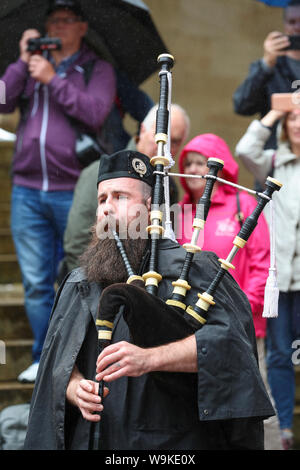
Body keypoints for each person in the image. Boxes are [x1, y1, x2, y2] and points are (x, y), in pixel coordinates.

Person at [24, 149, 275, 450]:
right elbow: (57, 361)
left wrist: (150, 358)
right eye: (102, 199)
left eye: (120, 197)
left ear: (149, 208)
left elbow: (230, 347)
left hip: (172, 444)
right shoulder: (79, 282)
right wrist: (75, 386)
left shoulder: (197, 271)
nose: (106, 209)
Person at [0, 0, 116, 383]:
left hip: (73, 190)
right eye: (53, 21)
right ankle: (41, 355)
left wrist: (53, 79)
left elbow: (96, 112)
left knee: (77, 275)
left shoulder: (96, 69)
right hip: (27, 190)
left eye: (66, 20)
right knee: (35, 283)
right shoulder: (31, 66)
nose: (58, 26)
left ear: (82, 27)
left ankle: (75, 355)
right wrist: (22, 61)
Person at [176, 133, 282, 450]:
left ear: (219, 168)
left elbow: (262, 260)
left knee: (250, 391)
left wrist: (244, 308)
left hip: (240, 320)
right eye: (189, 163)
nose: (195, 169)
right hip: (191, 320)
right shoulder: (181, 211)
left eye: (201, 162)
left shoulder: (244, 204)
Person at [235, 107, 300, 450]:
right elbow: (245, 149)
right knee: (278, 355)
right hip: (282, 278)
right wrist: (274, 113)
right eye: (294, 118)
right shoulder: (273, 160)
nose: (299, 123)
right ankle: (286, 428)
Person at [63, 103, 190, 273]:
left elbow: (165, 243)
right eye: (160, 138)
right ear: (143, 129)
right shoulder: (101, 173)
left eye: (173, 142)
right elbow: (76, 243)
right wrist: (89, 291)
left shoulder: (169, 187)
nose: (164, 148)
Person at [233, 0, 300, 150]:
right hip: (274, 155)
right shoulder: (269, 67)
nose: (297, 27)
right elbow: (242, 106)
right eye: (292, 22)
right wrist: (266, 64)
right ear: (284, 25)